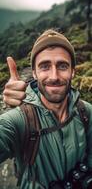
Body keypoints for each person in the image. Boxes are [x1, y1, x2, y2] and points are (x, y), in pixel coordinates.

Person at [1, 29, 92, 189]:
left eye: (62, 66)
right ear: (34, 73)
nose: (54, 76)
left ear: (73, 71)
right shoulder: (19, 120)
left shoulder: (86, 112)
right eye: (45, 66)